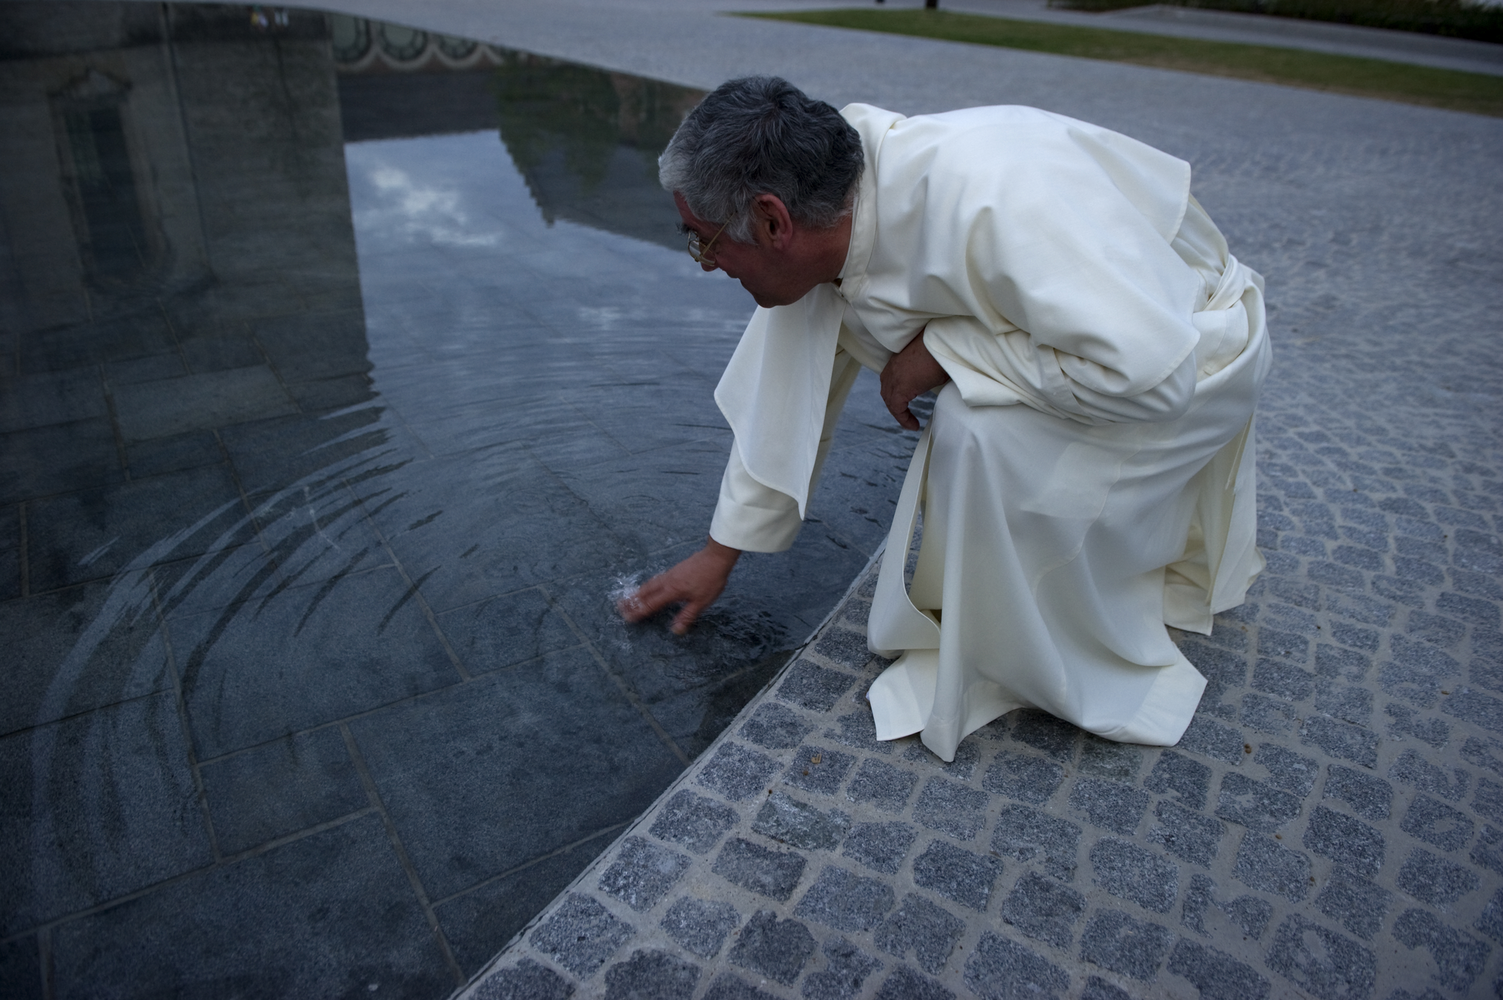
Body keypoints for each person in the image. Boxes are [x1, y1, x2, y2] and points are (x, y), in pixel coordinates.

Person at [619, 77, 1270, 762]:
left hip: (1194, 344)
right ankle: (1006, 601)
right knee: (973, 410)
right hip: (1129, 346)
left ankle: (1057, 641)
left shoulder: (996, 201)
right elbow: (782, 393)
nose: (706, 265)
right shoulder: (829, 202)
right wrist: (720, 553)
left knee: (976, 427)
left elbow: (1152, 375)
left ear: (773, 221)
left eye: (704, 241)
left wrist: (942, 351)